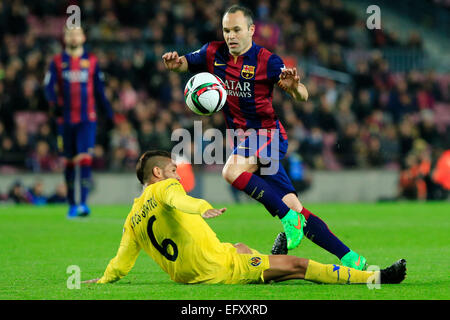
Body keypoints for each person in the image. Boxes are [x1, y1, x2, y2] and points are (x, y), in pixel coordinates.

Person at [162, 5, 367, 270]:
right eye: (226, 30)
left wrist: (294, 88)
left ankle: (286, 218)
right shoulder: (212, 53)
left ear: (251, 30)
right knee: (297, 208)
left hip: (267, 135)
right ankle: (351, 258)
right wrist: (175, 65)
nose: (231, 36)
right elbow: (184, 64)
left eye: (236, 29)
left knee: (230, 171)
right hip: (244, 142)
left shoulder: (267, 61)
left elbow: (302, 93)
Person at [83, 150, 406, 286]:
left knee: (238, 245)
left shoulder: (131, 218)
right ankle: (375, 278)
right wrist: (202, 207)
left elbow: (121, 263)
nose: (177, 176)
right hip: (214, 269)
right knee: (300, 267)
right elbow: (177, 198)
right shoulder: (166, 188)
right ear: (158, 173)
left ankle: (270, 260)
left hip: (186, 272)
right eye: (172, 170)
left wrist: (103, 279)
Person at [44, 26, 114, 218]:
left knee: (85, 158)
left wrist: (109, 114)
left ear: (83, 37)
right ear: (65, 38)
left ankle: (82, 204)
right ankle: (72, 204)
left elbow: (99, 90)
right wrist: (52, 103)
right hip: (64, 120)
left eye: (76, 34)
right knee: (68, 162)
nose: (73, 37)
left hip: (86, 119)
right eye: (69, 34)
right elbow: (48, 87)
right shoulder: (57, 62)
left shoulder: (92, 61)